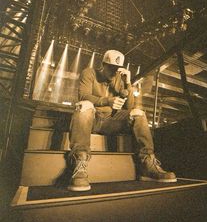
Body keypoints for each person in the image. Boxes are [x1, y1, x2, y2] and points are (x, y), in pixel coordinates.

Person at [68, 49, 177, 191]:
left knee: (138, 113)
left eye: (117, 69)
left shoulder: (120, 79)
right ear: (103, 65)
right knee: (84, 105)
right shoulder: (89, 73)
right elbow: (83, 96)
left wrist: (128, 84)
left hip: (112, 122)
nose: (114, 73)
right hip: (92, 119)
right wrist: (108, 101)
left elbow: (130, 107)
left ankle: (147, 163)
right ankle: (79, 162)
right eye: (111, 68)